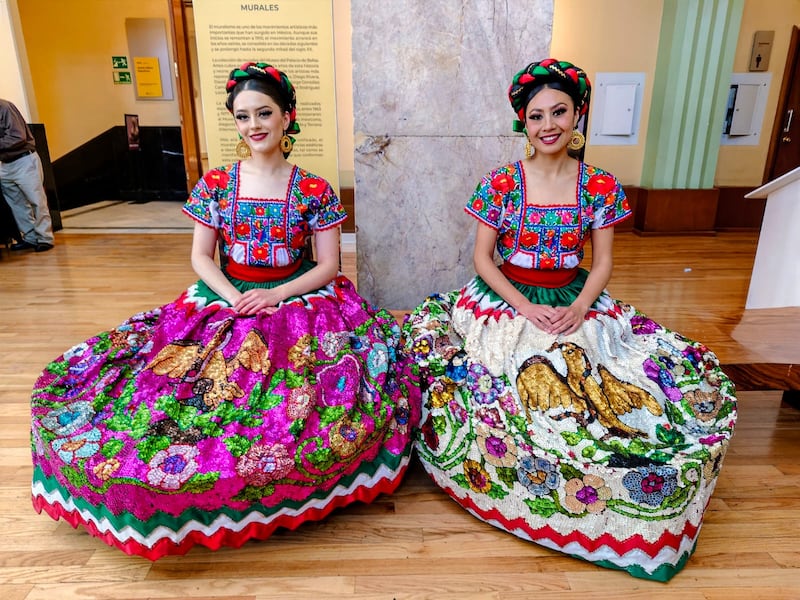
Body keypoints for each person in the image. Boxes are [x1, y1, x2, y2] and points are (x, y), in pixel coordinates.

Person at [30, 62, 419, 559]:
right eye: (242, 116)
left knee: (299, 401)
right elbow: (199, 256)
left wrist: (276, 296)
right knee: (173, 391)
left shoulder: (314, 189)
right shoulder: (216, 184)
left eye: (264, 113)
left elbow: (328, 265)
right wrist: (230, 297)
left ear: (287, 118)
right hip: (226, 296)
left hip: (298, 300)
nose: (254, 125)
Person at [400, 58, 737, 582]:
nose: (549, 125)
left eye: (559, 111)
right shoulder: (502, 183)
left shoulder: (598, 185)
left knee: (611, 377)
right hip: (507, 297)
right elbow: (483, 260)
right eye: (536, 116)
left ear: (577, 114)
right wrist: (523, 306)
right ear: (523, 123)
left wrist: (581, 307)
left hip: (574, 295)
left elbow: (601, 262)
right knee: (516, 381)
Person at [0, 98, 54, 252]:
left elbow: (18, 137)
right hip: (5, 164)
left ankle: (45, 238)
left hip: (24, 160)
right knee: (16, 204)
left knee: (37, 200)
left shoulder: (4, 107)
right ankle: (30, 237)